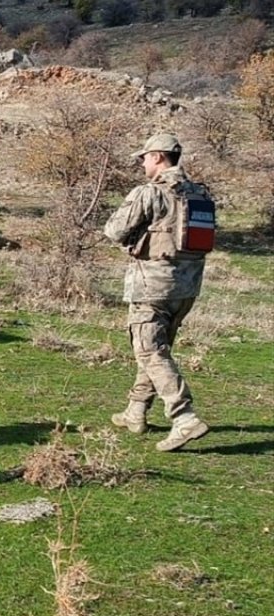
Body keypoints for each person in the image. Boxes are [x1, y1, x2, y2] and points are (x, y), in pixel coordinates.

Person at [103, 133, 212, 452]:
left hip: (153, 284)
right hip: (187, 287)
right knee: (155, 350)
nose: (142, 163)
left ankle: (184, 417)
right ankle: (136, 410)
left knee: (150, 351)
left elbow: (114, 230)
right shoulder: (200, 194)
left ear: (159, 157)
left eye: (145, 157)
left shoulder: (149, 193)